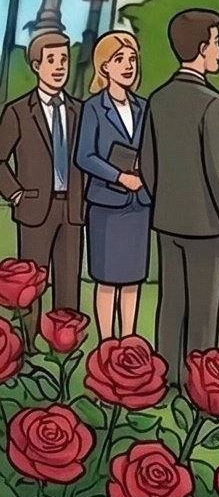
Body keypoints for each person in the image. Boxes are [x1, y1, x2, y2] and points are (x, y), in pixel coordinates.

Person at [140, 8, 219, 390]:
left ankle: (166, 374)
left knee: (172, 303)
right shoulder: (212, 103)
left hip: (167, 219)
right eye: (216, 43)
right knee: (203, 310)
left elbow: (147, 163)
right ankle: (201, 383)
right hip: (206, 224)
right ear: (202, 48)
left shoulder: (158, 99)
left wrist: (164, 198)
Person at [0, 30, 83, 317]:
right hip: (34, 209)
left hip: (72, 209)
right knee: (31, 283)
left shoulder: (79, 111)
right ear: (37, 66)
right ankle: (28, 344)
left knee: (69, 282)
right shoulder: (18, 112)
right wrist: (16, 193)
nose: (60, 66)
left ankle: (64, 345)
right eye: (52, 60)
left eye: (64, 59)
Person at [74, 30, 150, 339]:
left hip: (138, 206)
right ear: (104, 66)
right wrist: (119, 177)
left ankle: (128, 341)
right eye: (120, 59)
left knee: (132, 280)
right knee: (107, 280)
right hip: (107, 205)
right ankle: (106, 343)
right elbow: (84, 156)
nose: (128, 65)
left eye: (132, 58)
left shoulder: (143, 107)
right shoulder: (93, 108)